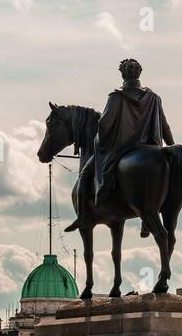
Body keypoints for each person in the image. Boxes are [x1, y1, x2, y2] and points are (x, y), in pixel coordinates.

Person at [68, 59, 173, 237]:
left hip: (121, 148)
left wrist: (99, 142)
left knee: (85, 176)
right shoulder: (154, 98)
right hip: (151, 146)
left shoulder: (116, 96)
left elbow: (103, 125)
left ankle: (83, 216)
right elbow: (165, 127)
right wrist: (171, 147)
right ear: (139, 73)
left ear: (122, 74)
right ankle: (147, 220)